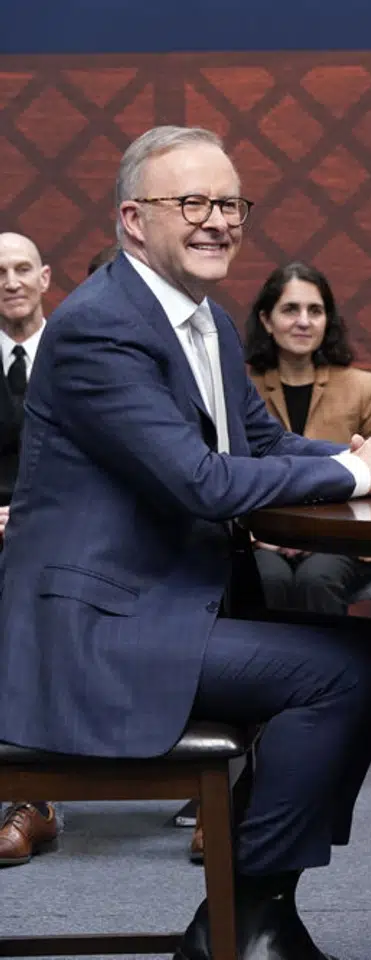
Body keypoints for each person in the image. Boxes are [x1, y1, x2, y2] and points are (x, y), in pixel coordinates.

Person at [0, 125, 371, 960]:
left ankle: (244, 913)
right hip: (94, 633)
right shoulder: (99, 329)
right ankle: (248, 915)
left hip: (167, 607)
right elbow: (200, 480)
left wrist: (359, 456)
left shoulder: (211, 323)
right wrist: (355, 476)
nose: (218, 220)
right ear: (133, 219)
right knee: (346, 670)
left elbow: (260, 450)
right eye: (190, 201)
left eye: (231, 202)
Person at [246, 262, 371, 616]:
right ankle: (265, 673)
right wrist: (256, 537)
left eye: (315, 310)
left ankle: (325, 673)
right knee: (268, 580)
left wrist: (327, 536)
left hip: (346, 541)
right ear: (266, 320)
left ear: (328, 321)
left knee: (316, 578)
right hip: (263, 540)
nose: (304, 321)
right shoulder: (242, 391)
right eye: (290, 309)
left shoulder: (360, 387)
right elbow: (220, 471)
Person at [0, 233, 59, 868]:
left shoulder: (79, 357)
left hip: (66, 526)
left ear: (44, 278)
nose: (11, 281)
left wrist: (36, 517)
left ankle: (33, 798)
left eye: (22, 269)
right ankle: (26, 792)